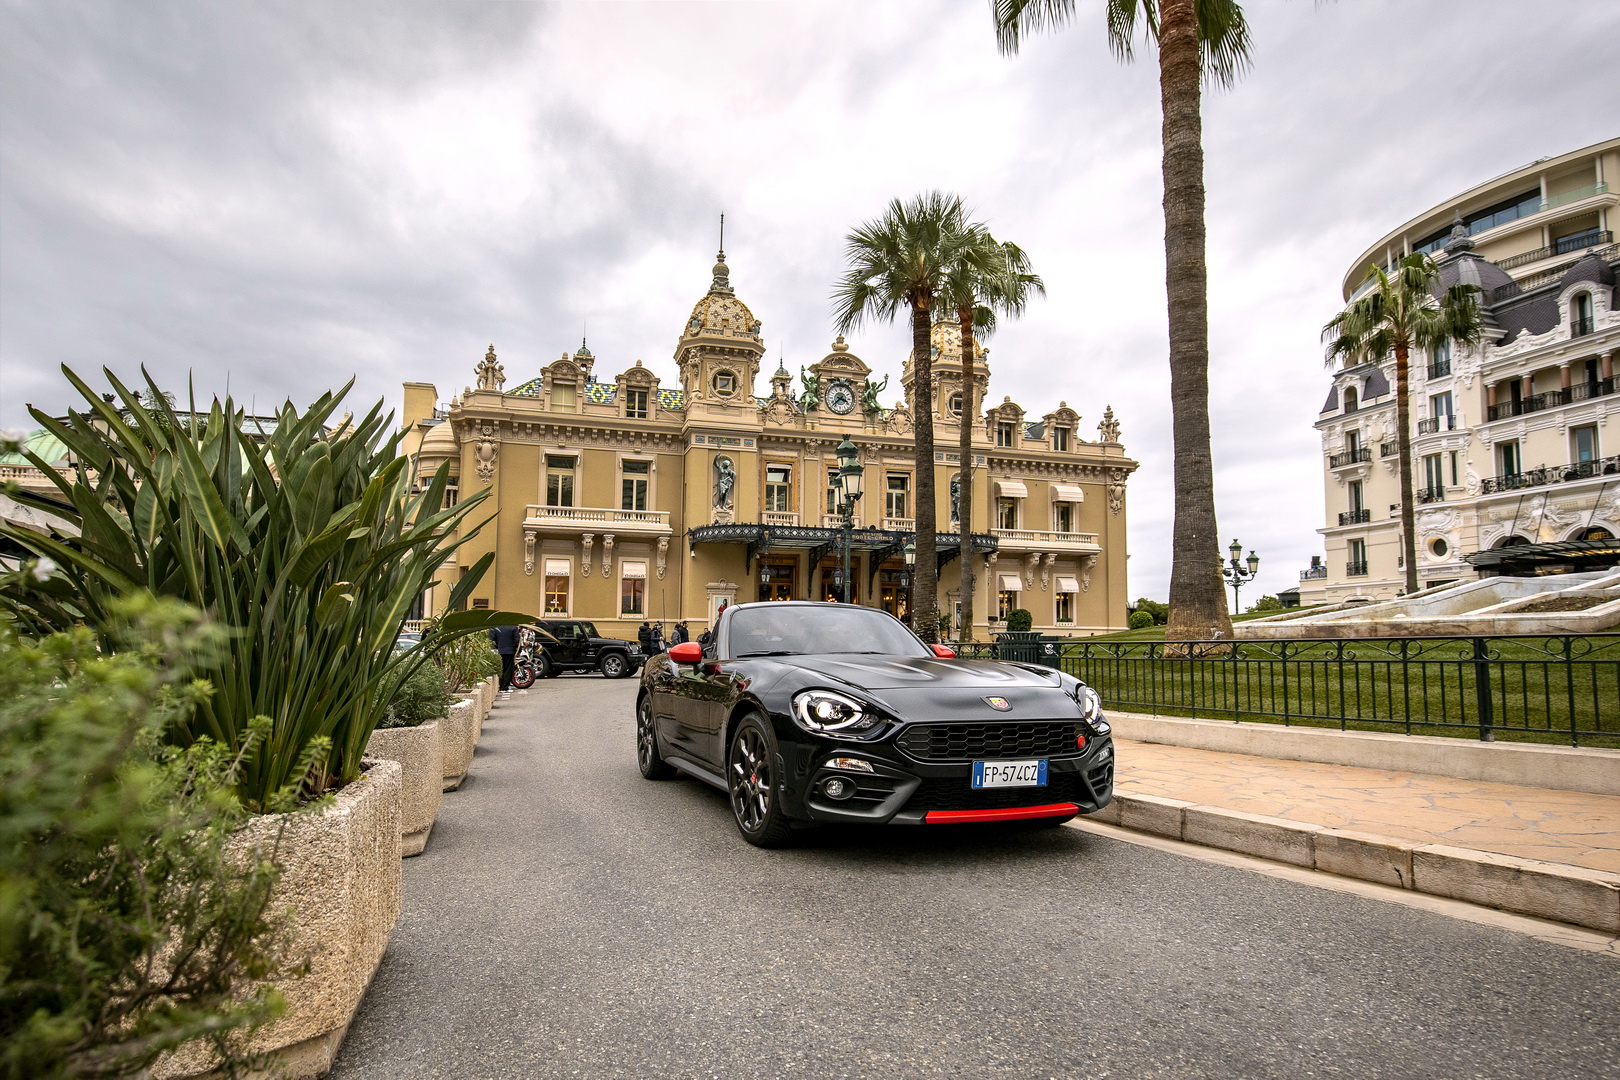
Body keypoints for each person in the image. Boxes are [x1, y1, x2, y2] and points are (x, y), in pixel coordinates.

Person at [489, 624, 521, 695]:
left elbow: (491, 639)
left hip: (498, 651)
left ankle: (500, 686)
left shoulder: (495, 627)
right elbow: (517, 641)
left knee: (501, 669)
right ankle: (505, 687)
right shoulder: (513, 628)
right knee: (508, 669)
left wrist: (494, 649)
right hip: (509, 651)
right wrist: (518, 651)